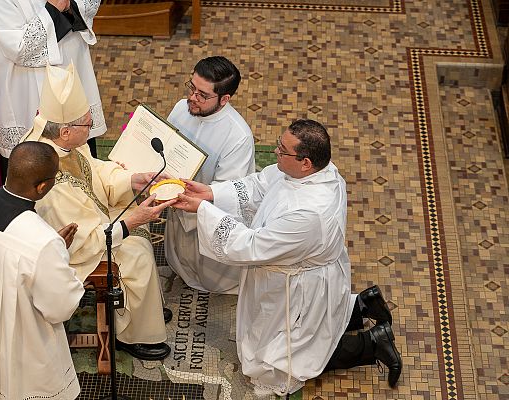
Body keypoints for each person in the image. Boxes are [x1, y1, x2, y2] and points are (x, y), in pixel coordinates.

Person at [173, 119, 403, 396]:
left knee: (287, 356)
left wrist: (203, 211)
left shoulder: (308, 214)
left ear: (305, 162)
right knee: (316, 327)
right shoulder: (321, 172)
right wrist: (212, 193)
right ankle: (364, 305)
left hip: (295, 285)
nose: (275, 154)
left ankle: (372, 344)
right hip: (305, 267)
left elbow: (249, 246)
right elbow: (262, 185)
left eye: (282, 151)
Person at [23, 63, 176, 361]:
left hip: (91, 219)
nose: (92, 126)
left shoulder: (62, 142)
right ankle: (134, 333)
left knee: (130, 211)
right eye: (87, 124)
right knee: (138, 253)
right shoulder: (45, 171)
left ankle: (147, 307)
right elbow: (80, 237)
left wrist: (131, 179)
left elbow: (94, 171)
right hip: (76, 245)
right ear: (66, 130)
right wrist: (132, 222)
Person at [0, 141, 85, 399]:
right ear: (42, 187)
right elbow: (62, 308)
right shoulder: (43, 243)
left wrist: (46, 249)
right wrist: (54, 254)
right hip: (23, 348)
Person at [0, 0, 107, 177]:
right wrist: (54, 8)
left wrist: (70, 4)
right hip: (25, 87)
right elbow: (19, 48)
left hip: (72, 67)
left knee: (82, 162)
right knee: (33, 168)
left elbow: (89, 4)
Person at [165, 56, 255, 294]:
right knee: (179, 256)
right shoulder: (180, 108)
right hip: (177, 201)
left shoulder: (237, 137)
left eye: (203, 95)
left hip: (205, 210)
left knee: (211, 277)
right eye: (192, 87)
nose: (192, 98)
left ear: (225, 99)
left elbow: (225, 191)